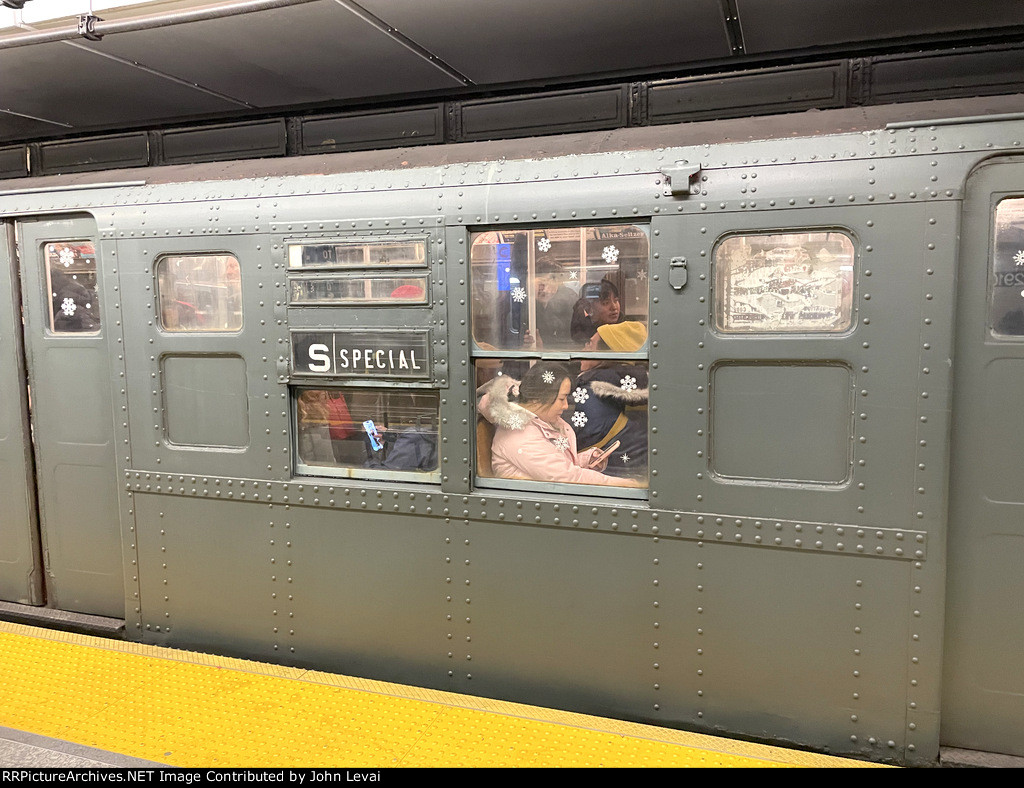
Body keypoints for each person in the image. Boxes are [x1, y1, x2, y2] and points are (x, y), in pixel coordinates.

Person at [478, 361, 642, 486]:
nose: (565, 406)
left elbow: (555, 466)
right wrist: (624, 485)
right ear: (538, 398)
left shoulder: (539, 421)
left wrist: (586, 459)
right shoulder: (519, 436)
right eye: (561, 399)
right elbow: (568, 478)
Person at [571, 321, 648, 479]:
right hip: (631, 469)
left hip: (603, 472)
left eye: (590, 344)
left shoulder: (591, 390)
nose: (584, 349)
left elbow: (583, 441)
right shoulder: (635, 383)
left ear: (606, 354)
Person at [570, 279, 623, 343]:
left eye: (616, 300)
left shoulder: (626, 328)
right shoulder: (582, 336)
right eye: (605, 303)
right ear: (589, 308)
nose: (614, 307)